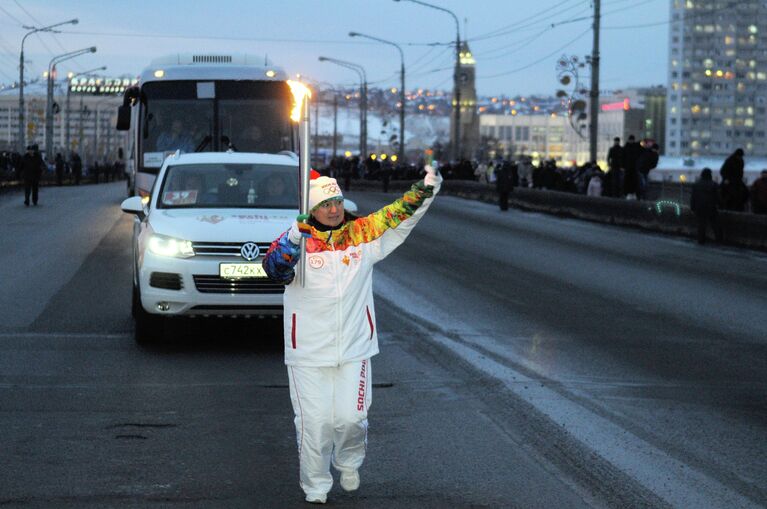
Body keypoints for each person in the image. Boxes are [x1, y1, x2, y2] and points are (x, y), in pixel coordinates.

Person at [262, 166, 442, 504]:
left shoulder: (362, 237)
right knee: (314, 425)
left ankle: (348, 461)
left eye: (338, 202)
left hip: (355, 347)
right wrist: (293, 240)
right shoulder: (296, 240)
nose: (334, 209)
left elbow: (400, 218)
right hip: (308, 353)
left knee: (350, 419)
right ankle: (315, 486)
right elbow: (273, 268)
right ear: (312, 209)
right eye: (326, 204)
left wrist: (427, 189)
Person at [690, 168, 722, 244]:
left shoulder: (696, 184)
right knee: (715, 224)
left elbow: (693, 197)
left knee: (701, 224)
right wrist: (721, 204)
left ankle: (701, 240)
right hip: (711, 207)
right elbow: (718, 197)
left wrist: (692, 207)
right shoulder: (714, 184)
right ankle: (719, 240)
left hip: (699, 207)